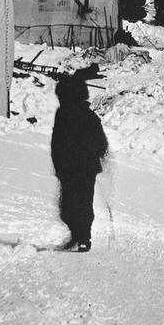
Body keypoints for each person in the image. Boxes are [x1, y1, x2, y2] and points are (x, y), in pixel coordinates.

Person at [50, 70, 108, 252]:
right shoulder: (88, 115)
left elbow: (56, 142)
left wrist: (59, 163)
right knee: (81, 203)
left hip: (75, 168)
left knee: (70, 204)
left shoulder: (65, 114)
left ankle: (82, 236)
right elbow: (102, 143)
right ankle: (81, 235)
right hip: (79, 168)